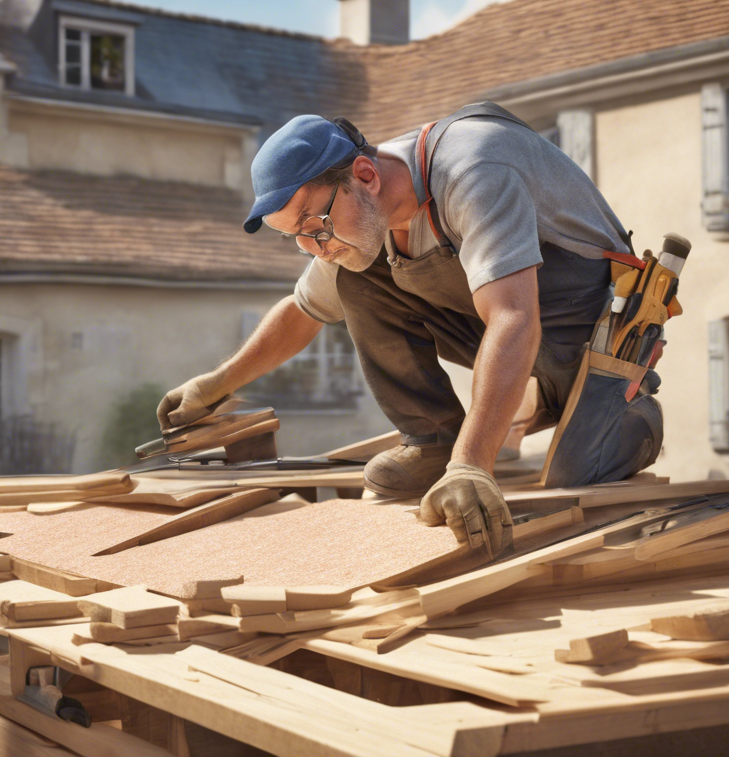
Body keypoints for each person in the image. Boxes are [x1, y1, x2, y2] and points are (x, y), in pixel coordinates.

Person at [158, 103, 663, 557]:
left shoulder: (473, 170)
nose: (316, 248)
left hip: (585, 340)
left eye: (316, 228)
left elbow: (513, 317)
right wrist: (216, 385)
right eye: (298, 239)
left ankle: (632, 416)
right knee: (357, 274)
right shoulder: (361, 215)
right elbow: (303, 309)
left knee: (573, 482)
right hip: (514, 335)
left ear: (363, 174)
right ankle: (432, 440)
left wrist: (473, 466)